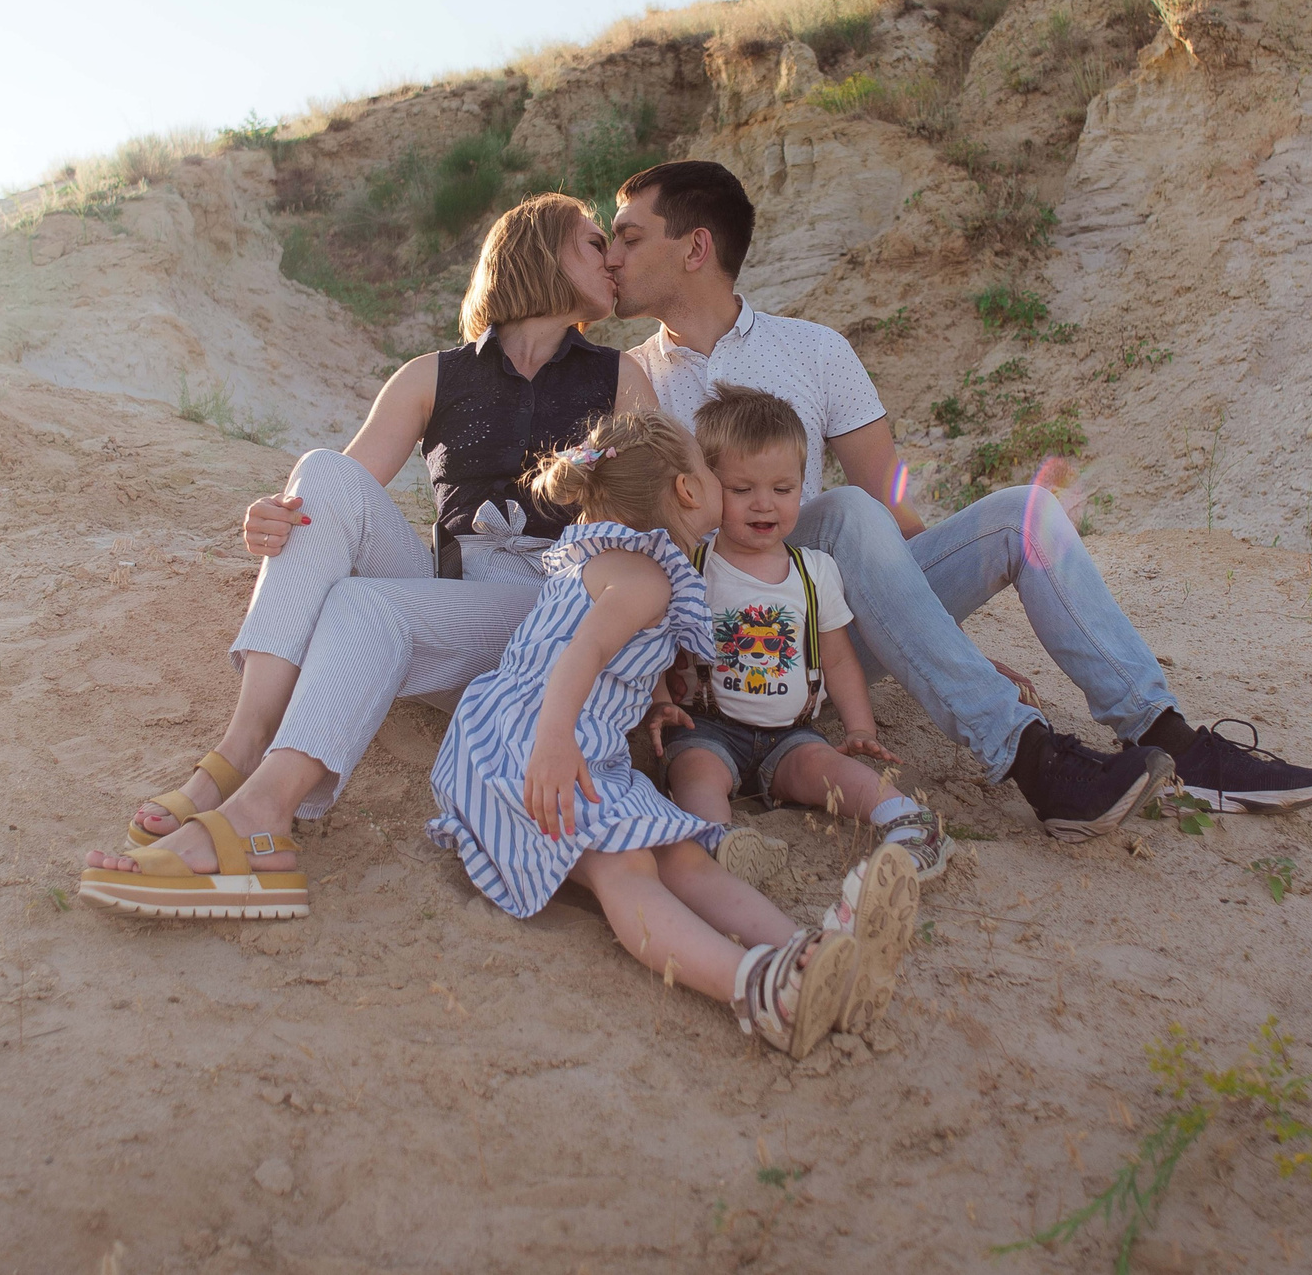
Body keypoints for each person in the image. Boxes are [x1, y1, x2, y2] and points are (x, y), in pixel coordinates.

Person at [604, 159, 1312, 837]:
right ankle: (1029, 757)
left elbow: (892, 505)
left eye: (629, 238)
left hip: (833, 632)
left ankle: (1168, 738)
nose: (613, 256)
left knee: (1026, 514)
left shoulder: (816, 350)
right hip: (728, 645)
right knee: (848, 515)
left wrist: (948, 636)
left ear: (695, 248)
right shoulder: (630, 378)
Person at [79, 193, 654, 919]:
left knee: (364, 601)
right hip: (450, 607)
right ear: (540, 251)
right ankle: (239, 748)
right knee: (320, 474)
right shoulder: (433, 374)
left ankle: (261, 820)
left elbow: (654, 524)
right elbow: (342, 498)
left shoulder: (619, 377)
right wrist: (278, 518)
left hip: (550, 611)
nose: (611, 259)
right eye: (593, 241)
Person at [423, 410, 922, 1058]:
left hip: (568, 742)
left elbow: (611, 657)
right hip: (533, 747)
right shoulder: (644, 579)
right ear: (690, 491)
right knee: (625, 866)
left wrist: (645, 702)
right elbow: (579, 655)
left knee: (680, 854)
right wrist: (551, 742)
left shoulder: (617, 554)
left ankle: (806, 956)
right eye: (714, 475)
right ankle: (755, 986)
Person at [646, 382, 952, 883]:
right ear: (706, 486)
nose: (763, 505)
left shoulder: (815, 573)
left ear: (803, 485)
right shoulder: (692, 565)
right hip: (707, 725)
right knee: (695, 773)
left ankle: (908, 823)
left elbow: (837, 659)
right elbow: (657, 640)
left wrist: (859, 728)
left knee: (828, 770)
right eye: (742, 490)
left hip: (792, 734)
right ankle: (718, 844)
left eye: (782, 490)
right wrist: (661, 698)